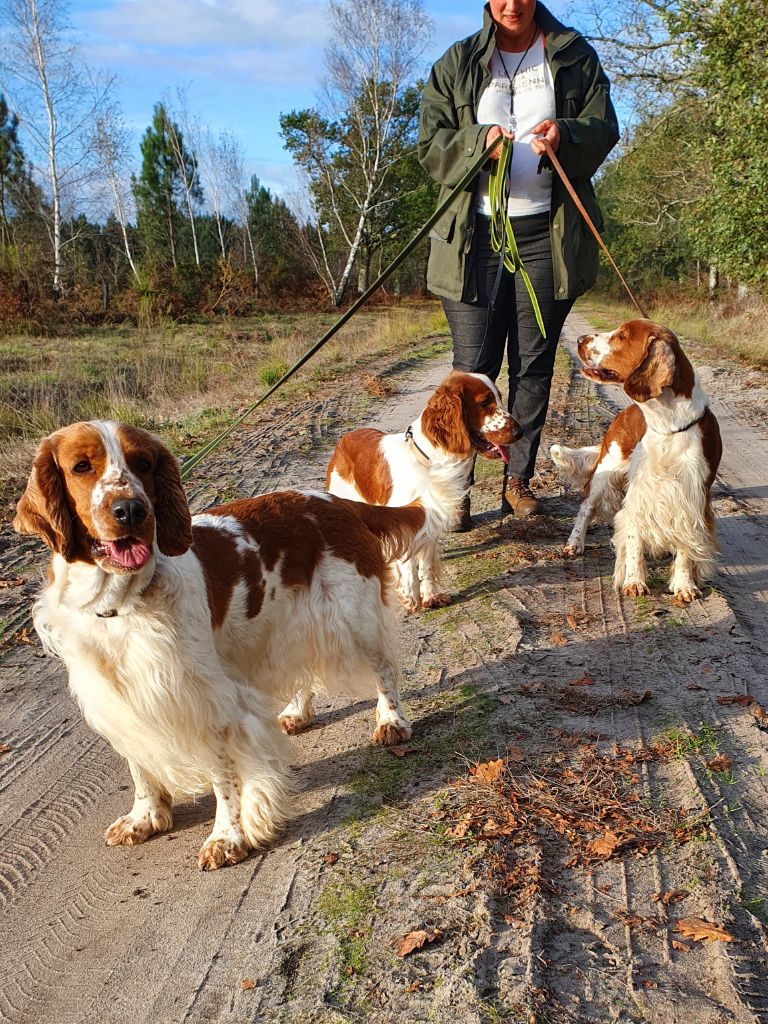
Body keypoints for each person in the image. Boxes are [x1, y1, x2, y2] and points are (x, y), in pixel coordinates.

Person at [418, 0, 619, 526]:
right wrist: (475, 143)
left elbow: (603, 126)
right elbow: (430, 145)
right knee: (473, 367)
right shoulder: (457, 62)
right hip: (473, 236)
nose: (512, 5)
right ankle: (456, 488)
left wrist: (565, 136)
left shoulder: (574, 55)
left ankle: (517, 479)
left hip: (546, 235)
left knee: (534, 361)